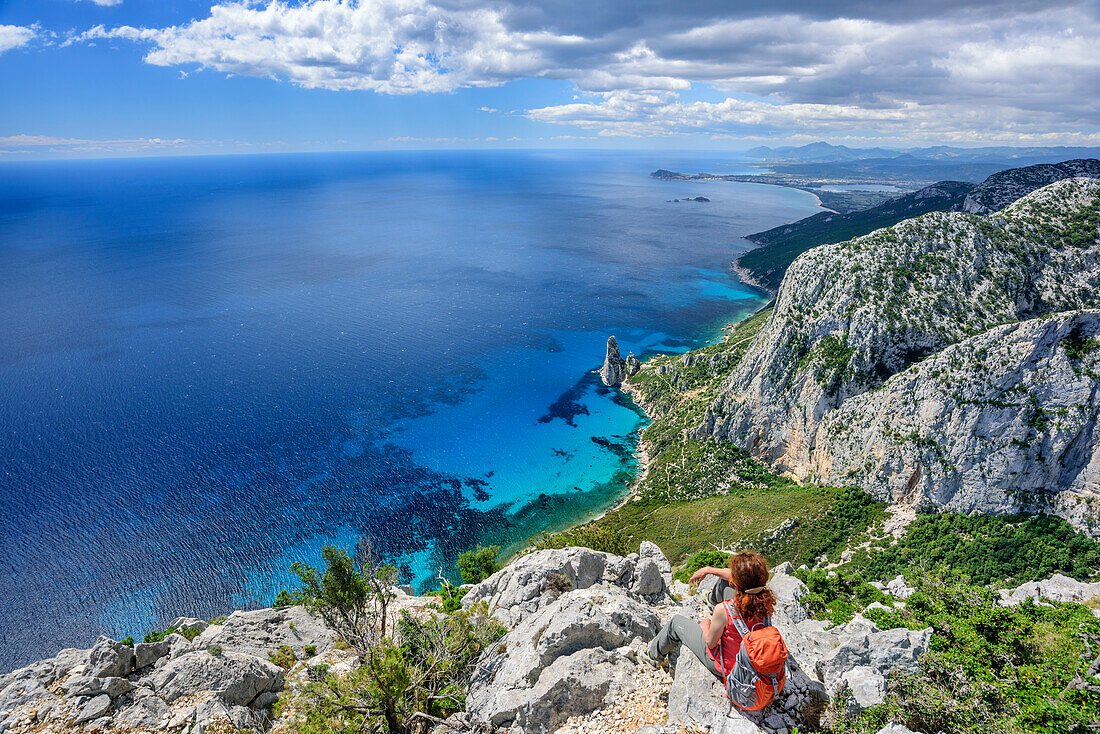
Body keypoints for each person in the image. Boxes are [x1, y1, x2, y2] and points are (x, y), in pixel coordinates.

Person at [645, 550, 777, 681]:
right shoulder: (765, 602)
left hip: (729, 667)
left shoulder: (724, 610)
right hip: (756, 662)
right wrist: (708, 570)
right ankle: (711, 599)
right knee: (724, 582)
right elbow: (735, 577)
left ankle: (652, 656)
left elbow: (710, 642)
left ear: (737, 582)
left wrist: (705, 625)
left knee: (675, 623)